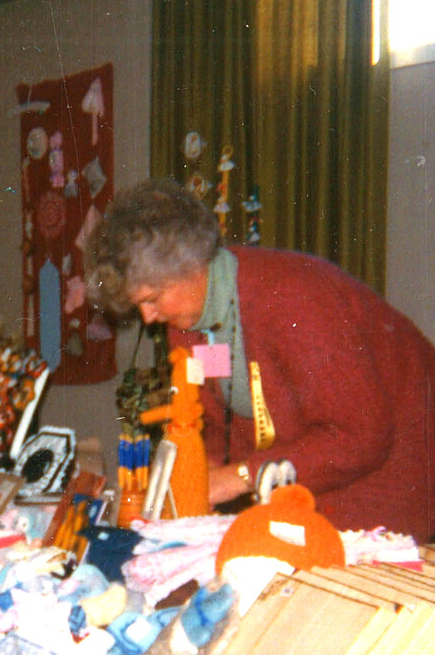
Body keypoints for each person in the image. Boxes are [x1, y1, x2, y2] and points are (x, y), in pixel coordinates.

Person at [85, 178, 435, 542]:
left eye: (153, 298)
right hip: (309, 484)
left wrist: (240, 477)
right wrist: (195, 477)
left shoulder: (294, 299)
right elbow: (217, 431)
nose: (147, 317)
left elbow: (361, 437)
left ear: (190, 266)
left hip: (401, 476)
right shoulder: (188, 324)